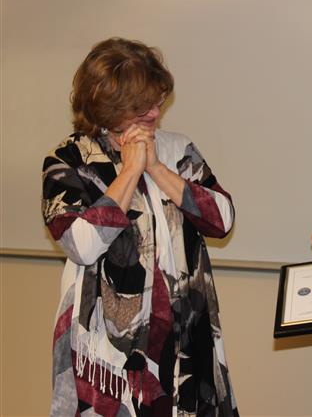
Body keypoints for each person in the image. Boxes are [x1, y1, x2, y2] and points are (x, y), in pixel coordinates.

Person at [42, 38, 239, 416]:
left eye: (158, 99)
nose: (155, 110)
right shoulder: (67, 161)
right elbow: (81, 244)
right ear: (108, 105)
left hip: (184, 339)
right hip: (105, 354)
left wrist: (157, 169)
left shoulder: (177, 150)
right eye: (141, 105)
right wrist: (130, 170)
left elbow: (222, 219)